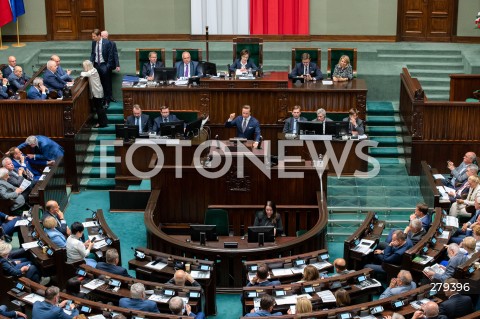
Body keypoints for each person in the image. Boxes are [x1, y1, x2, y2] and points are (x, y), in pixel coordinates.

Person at [90, 28, 115, 107]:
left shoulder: (107, 43)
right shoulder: (93, 43)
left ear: (99, 36)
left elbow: (111, 56)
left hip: (104, 65)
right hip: (96, 65)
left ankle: (107, 100)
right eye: (92, 36)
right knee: (98, 83)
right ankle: (101, 99)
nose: (93, 38)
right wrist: (91, 63)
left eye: (94, 36)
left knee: (106, 83)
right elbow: (93, 54)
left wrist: (107, 66)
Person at [80, 59, 108, 128]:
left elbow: (84, 74)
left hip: (97, 92)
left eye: (84, 67)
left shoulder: (93, 71)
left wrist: (82, 72)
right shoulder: (92, 70)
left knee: (99, 108)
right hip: (96, 91)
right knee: (99, 108)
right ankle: (103, 122)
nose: (84, 68)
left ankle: (102, 123)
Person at [101, 30, 120, 103]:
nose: (102, 37)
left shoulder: (112, 44)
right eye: (102, 36)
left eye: (103, 36)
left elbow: (115, 54)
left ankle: (110, 96)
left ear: (106, 36)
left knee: (108, 82)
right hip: (101, 66)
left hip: (108, 66)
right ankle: (105, 98)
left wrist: (117, 65)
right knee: (103, 83)